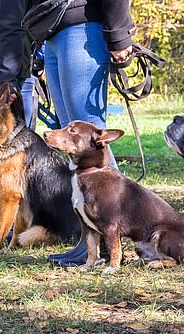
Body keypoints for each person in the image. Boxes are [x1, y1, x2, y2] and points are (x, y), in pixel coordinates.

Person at [43, 0, 135, 267]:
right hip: (52, 30)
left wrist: (118, 33)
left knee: (91, 139)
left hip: (81, 26)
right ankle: (90, 245)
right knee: (71, 136)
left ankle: (112, 241)